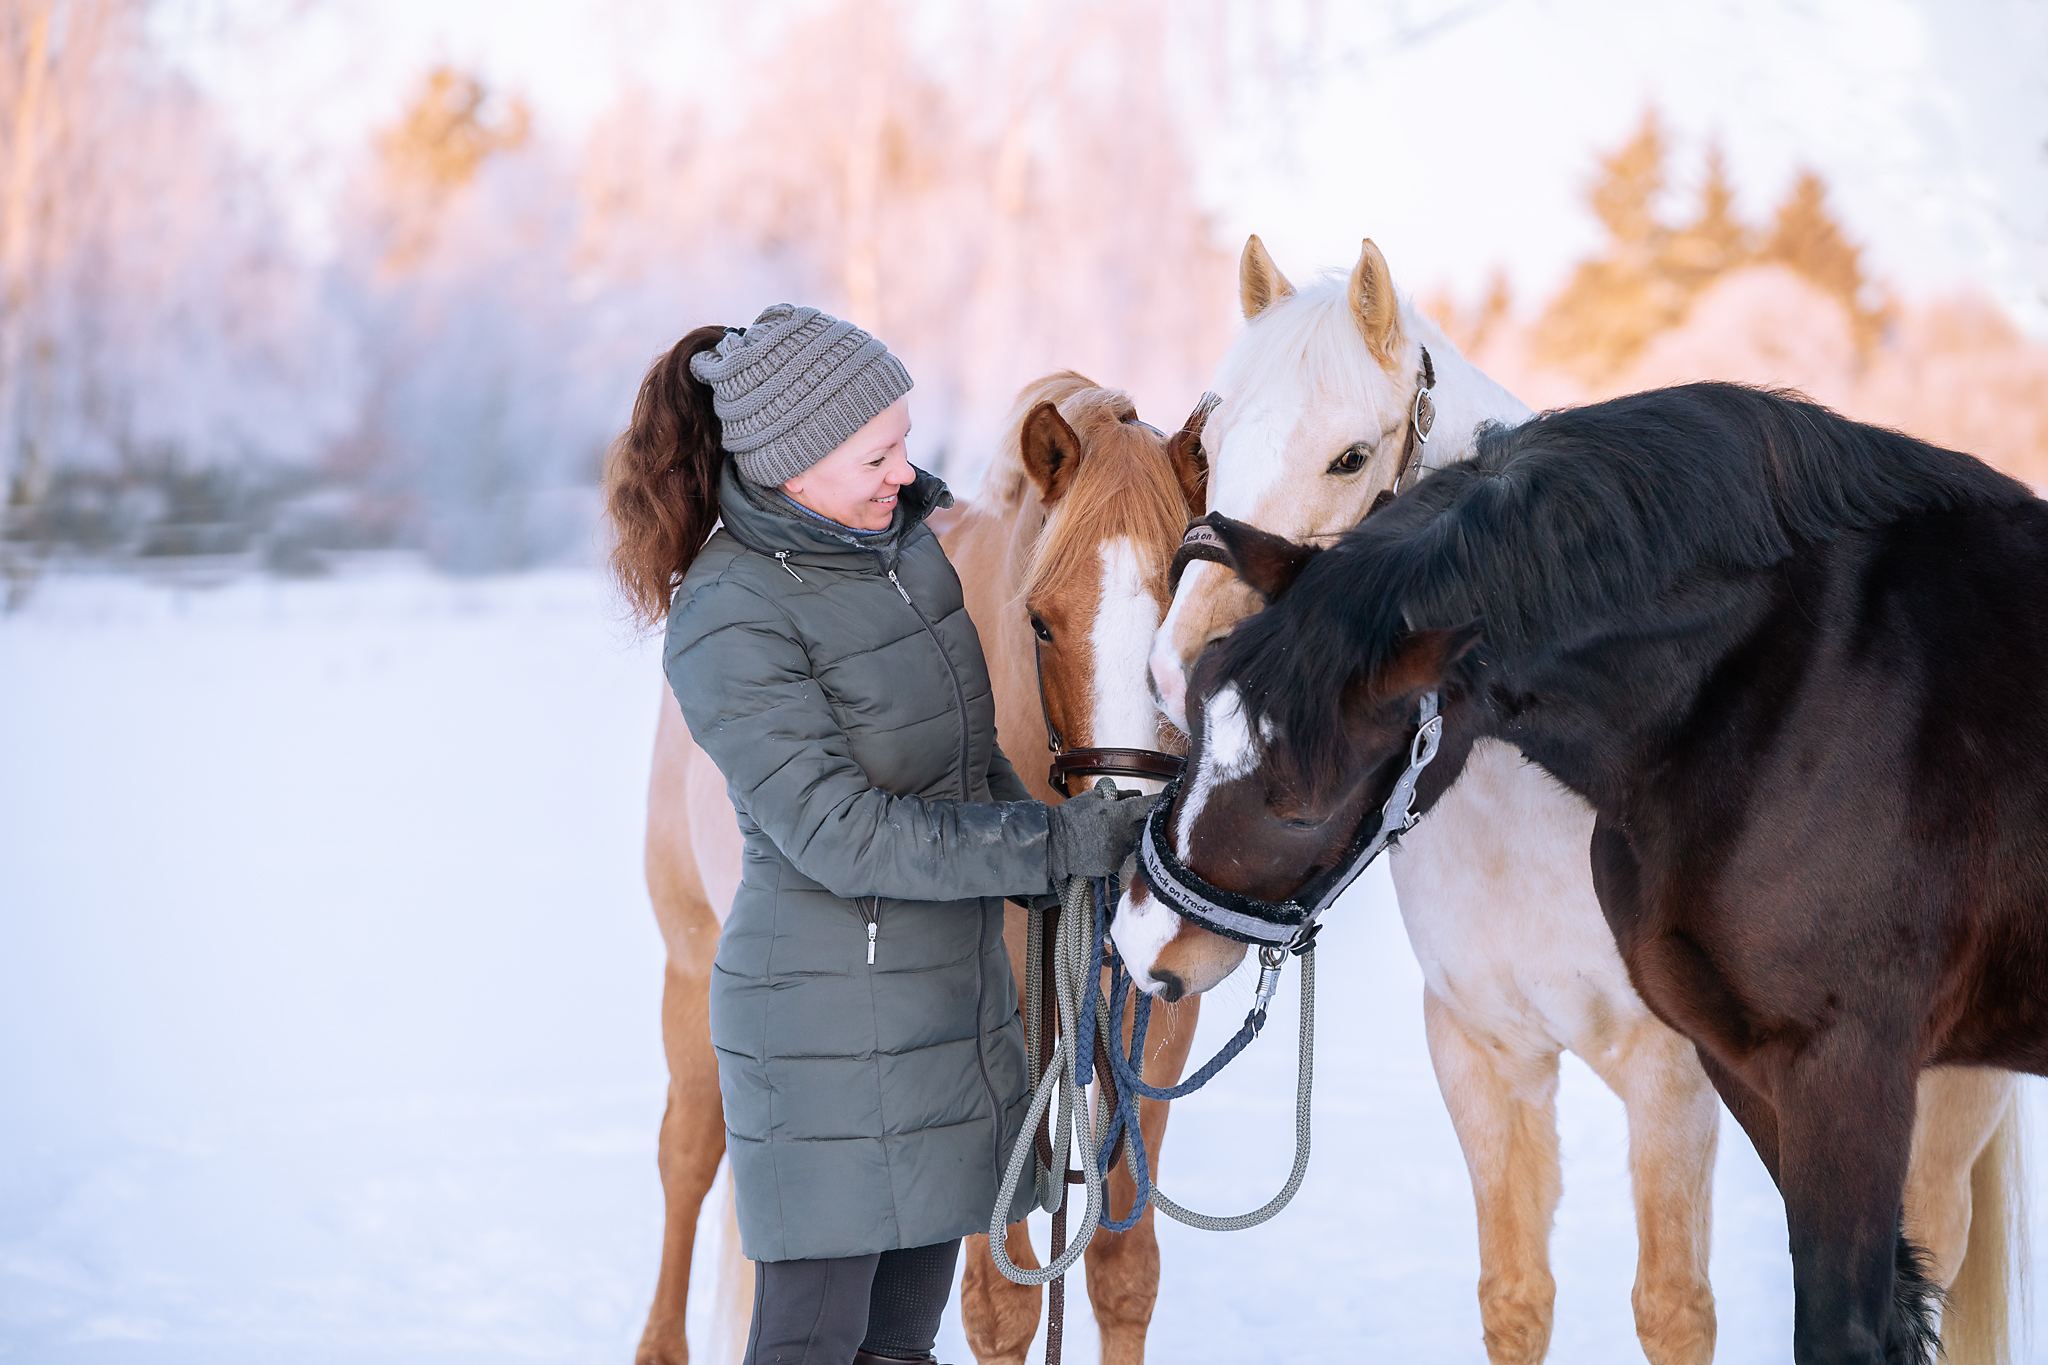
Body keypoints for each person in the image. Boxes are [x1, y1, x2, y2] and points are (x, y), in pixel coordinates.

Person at [604, 304, 1155, 1365]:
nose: (909, 474)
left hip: (935, 1032)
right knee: (810, 1346)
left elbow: (968, 761)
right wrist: (1050, 850)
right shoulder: (729, 616)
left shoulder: (901, 563)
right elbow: (841, 834)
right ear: (793, 464)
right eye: (879, 453)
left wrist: (1076, 846)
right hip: (821, 1043)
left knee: (899, 1348)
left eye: (904, 443)